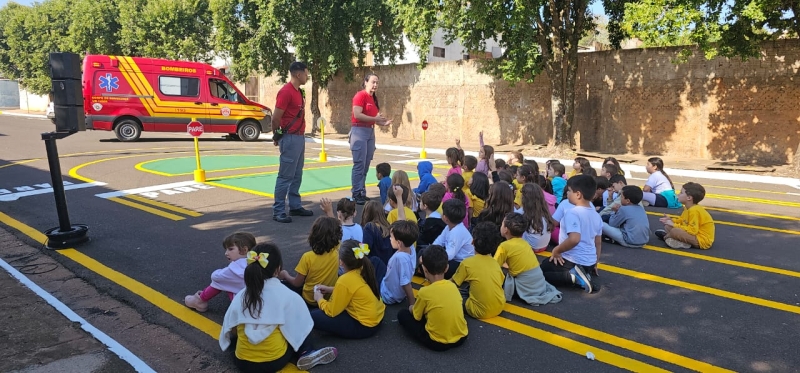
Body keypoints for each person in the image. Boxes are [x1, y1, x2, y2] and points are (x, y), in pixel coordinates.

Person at [219, 243, 337, 372]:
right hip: (273, 362)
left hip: (242, 362)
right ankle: (306, 352)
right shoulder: (287, 295)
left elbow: (232, 328)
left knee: (236, 339)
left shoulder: (241, 295)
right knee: (303, 322)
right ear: (277, 270)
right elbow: (300, 323)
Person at [397, 245, 468, 351]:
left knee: (403, 315)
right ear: (446, 268)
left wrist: (411, 307)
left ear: (424, 270)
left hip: (437, 342)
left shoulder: (424, 292)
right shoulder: (453, 287)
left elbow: (416, 316)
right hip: (461, 337)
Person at [311, 240, 385, 339]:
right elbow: (353, 289)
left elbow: (331, 311)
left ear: (341, 262)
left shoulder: (344, 280)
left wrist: (319, 299)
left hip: (364, 326)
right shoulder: (364, 268)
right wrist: (331, 289)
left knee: (312, 317)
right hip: (377, 318)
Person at [541, 175, 602, 293]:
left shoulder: (572, 212)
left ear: (578, 194)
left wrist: (557, 250)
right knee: (545, 264)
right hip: (588, 262)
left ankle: (573, 278)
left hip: (572, 260)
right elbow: (598, 242)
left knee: (540, 273)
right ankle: (584, 274)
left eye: (569, 191)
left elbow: (574, 239)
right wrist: (595, 263)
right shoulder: (596, 215)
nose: (567, 193)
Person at [272, 62, 314, 223]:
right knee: (285, 176)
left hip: (298, 137)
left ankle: (295, 206)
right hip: (290, 137)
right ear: (298, 74)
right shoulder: (286, 92)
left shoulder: (298, 92)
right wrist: (276, 135)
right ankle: (278, 210)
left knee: (297, 174)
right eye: (306, 73)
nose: (307, 76)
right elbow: (276, 118)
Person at [496, 213, 562, 306]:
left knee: (500, 279)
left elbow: (494, 266)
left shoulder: (504, 246)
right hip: (538, 282)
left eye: (502, 224)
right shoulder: (525, 243)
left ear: (506, 229)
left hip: (526, 286)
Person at [185, 232, 257, 312]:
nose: (226, 253)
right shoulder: (258, 261)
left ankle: (200, 301)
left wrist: (219, 272)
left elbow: (216, 277)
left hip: (243, 306)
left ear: (244, 250)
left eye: (230, 249)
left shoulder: (235, 270)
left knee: (220, 282)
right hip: (260, 302)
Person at [278, 216, 341, 306]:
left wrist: (285, 275)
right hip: (329, 296)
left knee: (285, 284)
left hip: (310, 299)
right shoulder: (336, 251)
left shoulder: (308, 257)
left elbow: (297, 283)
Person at [351, 73, 392, 205]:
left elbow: (374, 118)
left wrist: (382, 122)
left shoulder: (373, 99)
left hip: (369, 131)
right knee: (359, 164)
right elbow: (357, 115)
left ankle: (362, 191)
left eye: (377, 83)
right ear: (366, 82)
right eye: (373, 82)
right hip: (359, 131)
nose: (375, 85)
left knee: (366, 164)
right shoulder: (360, 96)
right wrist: (375, 119)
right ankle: (356, 192)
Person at [451, 222, 505, 319]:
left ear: (473, 241)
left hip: (478, 311)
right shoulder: (495, 263)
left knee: (455, 294)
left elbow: (452, 284)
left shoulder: (467, 263)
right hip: (499, 307)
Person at [655, 182, 716, 249]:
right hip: (694, 234)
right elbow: (682, 220)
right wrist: (671, 220)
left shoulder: (694, 211)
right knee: (668, 226)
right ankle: (672, 237)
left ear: (689, 198)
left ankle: (667, 237)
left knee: (674, 231)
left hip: (701, 240)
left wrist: (674, 225)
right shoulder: (688, 208)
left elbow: (692, 231)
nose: (678, 194)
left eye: (681, 193)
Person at [432, 199, 474, 279]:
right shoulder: (449, 227)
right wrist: (431, 252)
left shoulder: (457, 232)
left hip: (462, 264)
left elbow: (449, 255)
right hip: (454, 258)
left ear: (445, 218)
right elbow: (439, 241)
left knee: (436, 267)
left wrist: (433, 258)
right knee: (425, 252)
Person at [381, 221, 419, 305]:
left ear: (399, 243)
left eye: (391, 237)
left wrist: (412, 304)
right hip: (392, 287)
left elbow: (406, 283)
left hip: (388, 295)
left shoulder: (400, 258)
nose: (390, 239)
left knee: (374, 262)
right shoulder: (410, 247)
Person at [518, 184, 556, 253]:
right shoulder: (544, 210)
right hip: (544, 246)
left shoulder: (523, 211)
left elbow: (514, 216)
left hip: (531, 247)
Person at [361, 201, 393, 265]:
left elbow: (365, 249)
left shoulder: (370, 227)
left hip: (375, 266)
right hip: (388, 265)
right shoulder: (388, 226)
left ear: (367, 213)